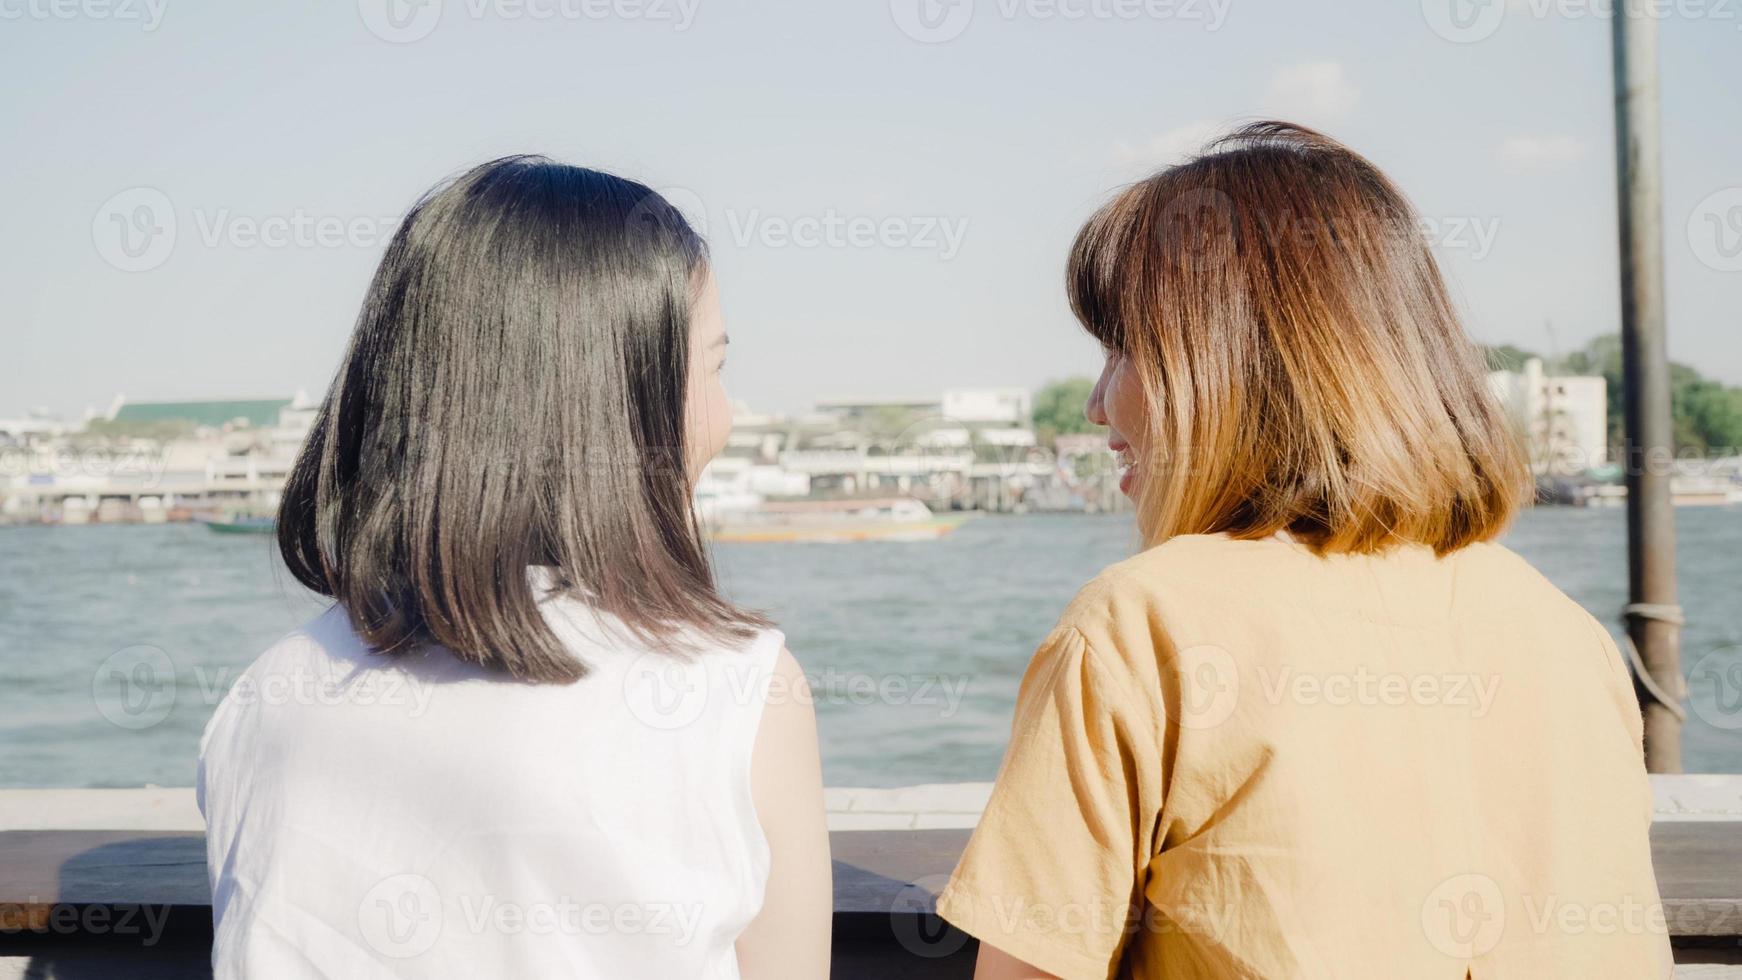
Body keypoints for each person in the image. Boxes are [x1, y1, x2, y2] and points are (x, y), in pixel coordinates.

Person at [937, 122, 1672, 979]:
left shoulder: (1141, 627)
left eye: (1123, 349)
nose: (1100, 405)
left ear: (1225, 361)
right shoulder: (1565, 634)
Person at [198, 158, 831, 979]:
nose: (727, 416)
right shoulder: (734, 692)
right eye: (712, 368)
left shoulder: (266, 693)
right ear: (612, 403)